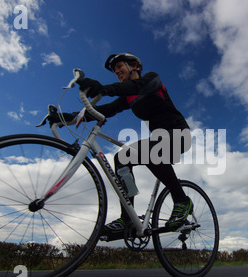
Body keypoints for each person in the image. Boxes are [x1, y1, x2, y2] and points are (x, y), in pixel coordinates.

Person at [77, 53, 193, 239]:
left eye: (119, 67)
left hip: (179, 134)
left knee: (150, 152)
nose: (117, 72)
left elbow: (138, 86)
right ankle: (128, 218)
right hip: (159, 140)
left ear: (134, 66)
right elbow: (107, 110)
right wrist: (69, 116)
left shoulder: (151, 79)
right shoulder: (128, 97)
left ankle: (182, 200)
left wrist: (103, 89)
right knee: (122, 158)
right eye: (114, 71)